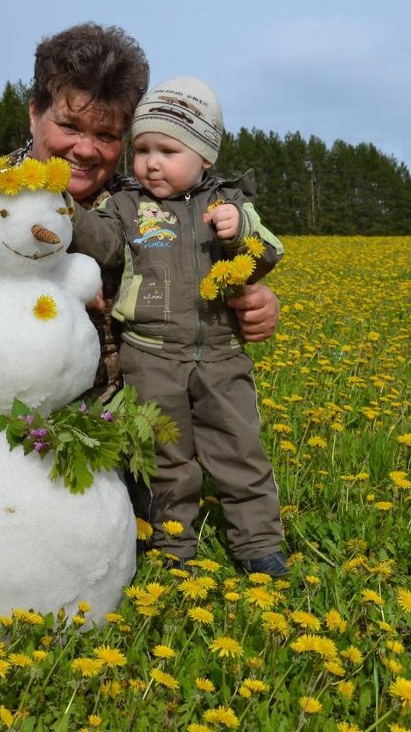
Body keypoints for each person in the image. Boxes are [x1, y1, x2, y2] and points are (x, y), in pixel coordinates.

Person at [0, 22, 280, 403]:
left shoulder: (143, 203)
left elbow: (195, 276)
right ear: (34, 112)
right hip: (2, 418)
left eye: (106, 136)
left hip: (128, 430)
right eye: (69, 126)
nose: (86, 150)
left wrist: (253, 302)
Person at [69, 76, 289, 577]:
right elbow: (99, 242)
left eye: (168, 150)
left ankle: (259, 544)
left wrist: (242, 230)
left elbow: (267, 254)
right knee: (162, 454)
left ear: (205, 156)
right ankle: (173, 546)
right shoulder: (126, 205)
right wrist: (64, 209)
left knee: (240, 450)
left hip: (221, 353)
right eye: (141, 149)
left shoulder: (229, 202)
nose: (150, 162)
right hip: (149, 355)